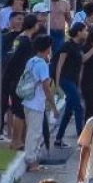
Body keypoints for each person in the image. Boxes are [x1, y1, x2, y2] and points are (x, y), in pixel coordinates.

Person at [21, 34, 59, 172]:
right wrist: (54, 107)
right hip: (36, 103)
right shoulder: (42, 65)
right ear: (47, 48)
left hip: (28, 101)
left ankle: (33, 158)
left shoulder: (31, 61)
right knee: (34, 133)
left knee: (33, 131)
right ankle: (31, 161)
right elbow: (46, 87)